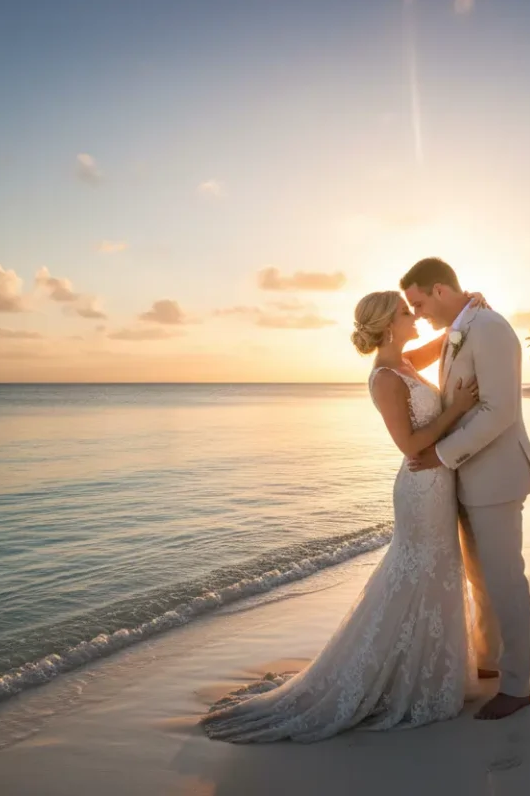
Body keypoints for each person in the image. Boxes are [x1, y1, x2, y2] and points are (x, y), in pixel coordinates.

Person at [200, 288, 487, 742]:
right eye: (405, 311)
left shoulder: (405, 361)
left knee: (436, 574)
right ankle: (395, 681)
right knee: (418, 575)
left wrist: (468, 309)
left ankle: (429, 674)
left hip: (437, 485)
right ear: (388, 325)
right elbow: (411, 445)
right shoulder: (384, 379)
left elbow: (446, 341)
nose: (414, 315)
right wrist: (457, 409)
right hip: (420, 488)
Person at [401, 257, 530, 721]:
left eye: (419, 304)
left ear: (439, 290)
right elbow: (405, 362)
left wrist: (441, 455)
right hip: (467, 477)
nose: (418, 315)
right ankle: (489, 661)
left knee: (505, 581)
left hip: (496, 475)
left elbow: (500, 410)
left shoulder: (490, 328)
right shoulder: (460, 329)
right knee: (481, 581)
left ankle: (516, 687)